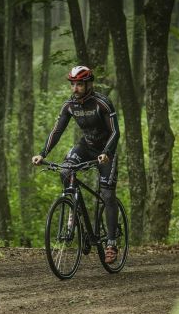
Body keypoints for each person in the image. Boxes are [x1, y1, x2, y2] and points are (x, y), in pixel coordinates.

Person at [32, 66, 120, 264]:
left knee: (107, 194)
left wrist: (107, 152)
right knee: (65, 171)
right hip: (85, 147)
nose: (75, 88)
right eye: (73, 84)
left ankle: (112, 243)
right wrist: (42, 153)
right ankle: (74, 208)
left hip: (106, 151)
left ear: (90, 84)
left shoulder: (102, 103)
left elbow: (115, 132)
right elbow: (57, 131)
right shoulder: (70, 105)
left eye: (79, 84)